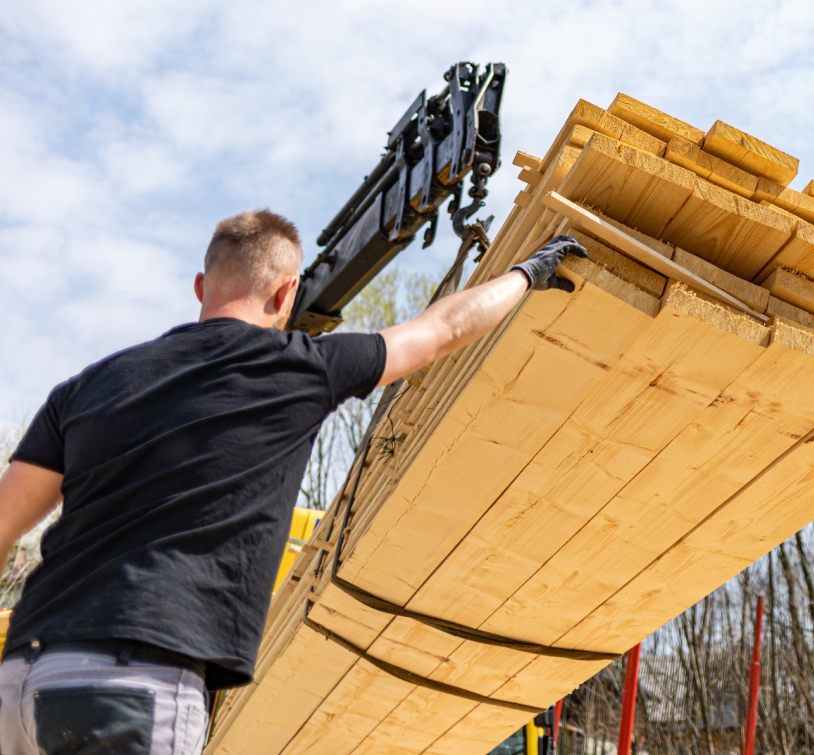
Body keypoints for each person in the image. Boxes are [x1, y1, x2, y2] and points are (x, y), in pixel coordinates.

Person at [0, 209, 585, 755]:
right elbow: (442, 330)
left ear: (202, 288)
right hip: (133, 683)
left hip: (19, 678)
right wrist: (525, 275)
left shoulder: (88, 386)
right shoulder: (300, 369)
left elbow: (4, 523)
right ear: (287, 294)